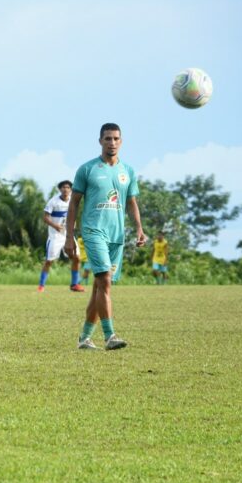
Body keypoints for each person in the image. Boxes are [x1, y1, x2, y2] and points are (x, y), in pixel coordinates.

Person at [65, 123, 147, 351]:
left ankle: (84, 338)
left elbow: (132, 202)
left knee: (99, 287)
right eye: (108, 139)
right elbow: (74, 203)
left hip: (116, 235)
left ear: (121, 141)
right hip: (93, 231)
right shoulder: (87, 169)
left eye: (116, 139)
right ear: (100, 141)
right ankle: (110, 336)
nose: (112, 143)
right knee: (105, 282)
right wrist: (69, 237)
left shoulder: (128, 171)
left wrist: (139, 229)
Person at [38, 180, 85, 292]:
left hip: (68, 235)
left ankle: (74, 284)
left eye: (68, 187)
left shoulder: (72, 201)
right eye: (63, 187)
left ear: (71, 190)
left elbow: (73, 215)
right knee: (49, 261)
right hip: (55, 236)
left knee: (77, 258)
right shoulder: (53, 201)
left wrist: (74, 225)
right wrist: (55, 226)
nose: (66, 189)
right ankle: (41, 285)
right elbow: (45, 217)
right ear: (60, 189)